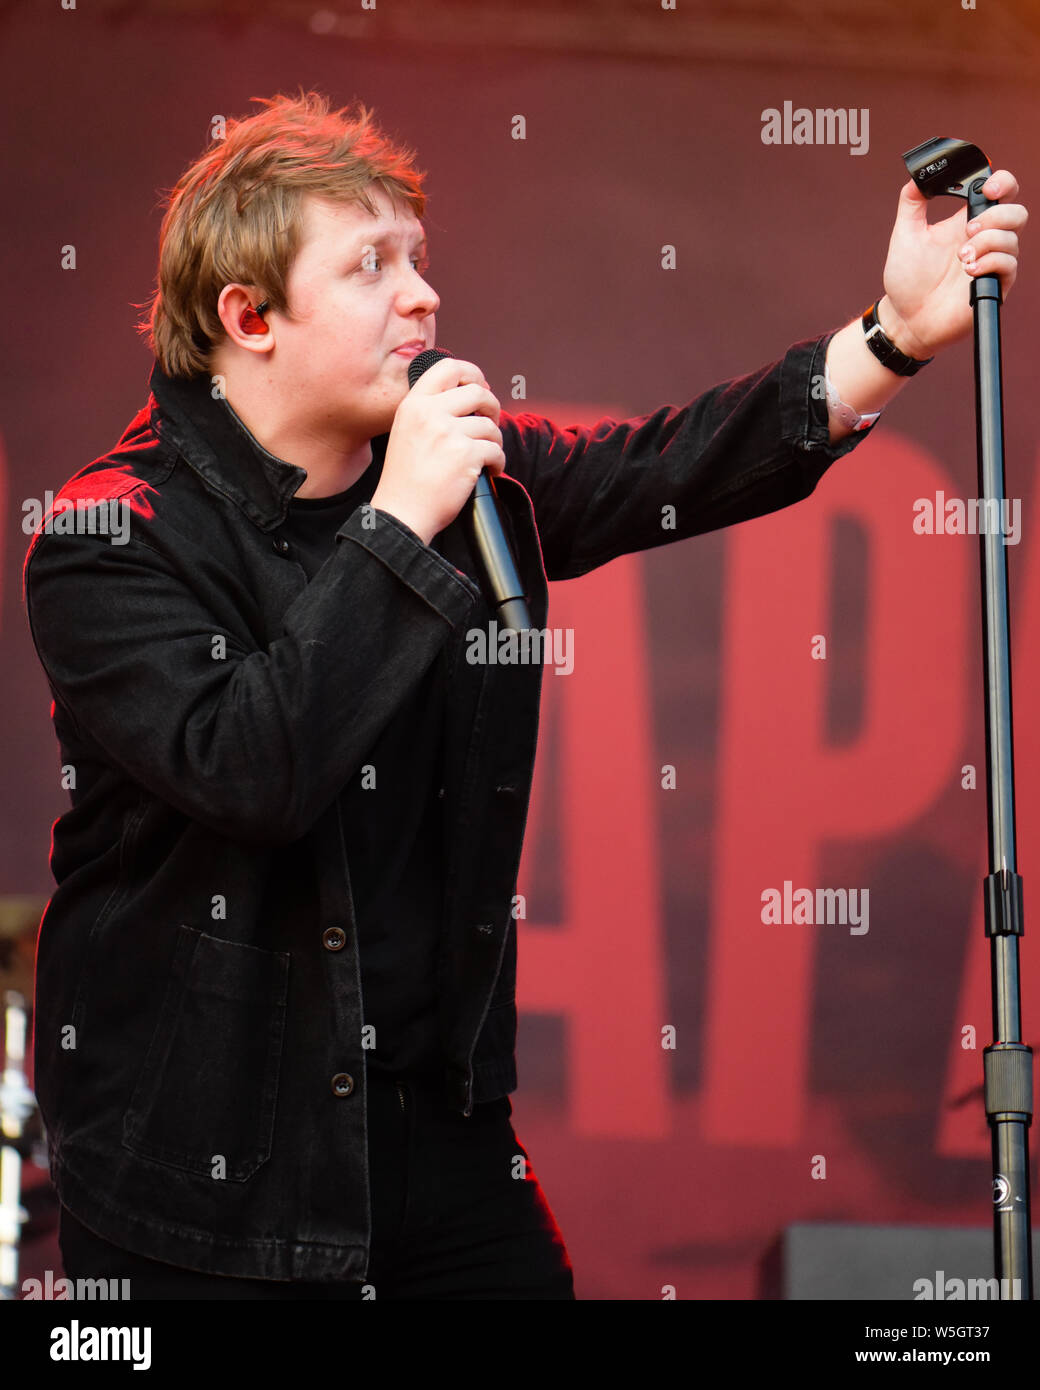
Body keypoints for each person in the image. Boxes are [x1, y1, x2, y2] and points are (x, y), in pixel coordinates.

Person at [21, 90, 1026, 1300]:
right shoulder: (109, 536)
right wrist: (397, 523)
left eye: (418, 258)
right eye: (369, 266)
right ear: (249, 315)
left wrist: (893, 335)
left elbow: (668, 464)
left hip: (431, 1127)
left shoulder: (464, 475)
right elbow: (251, 767)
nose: (421, 295)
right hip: (200, 1167)